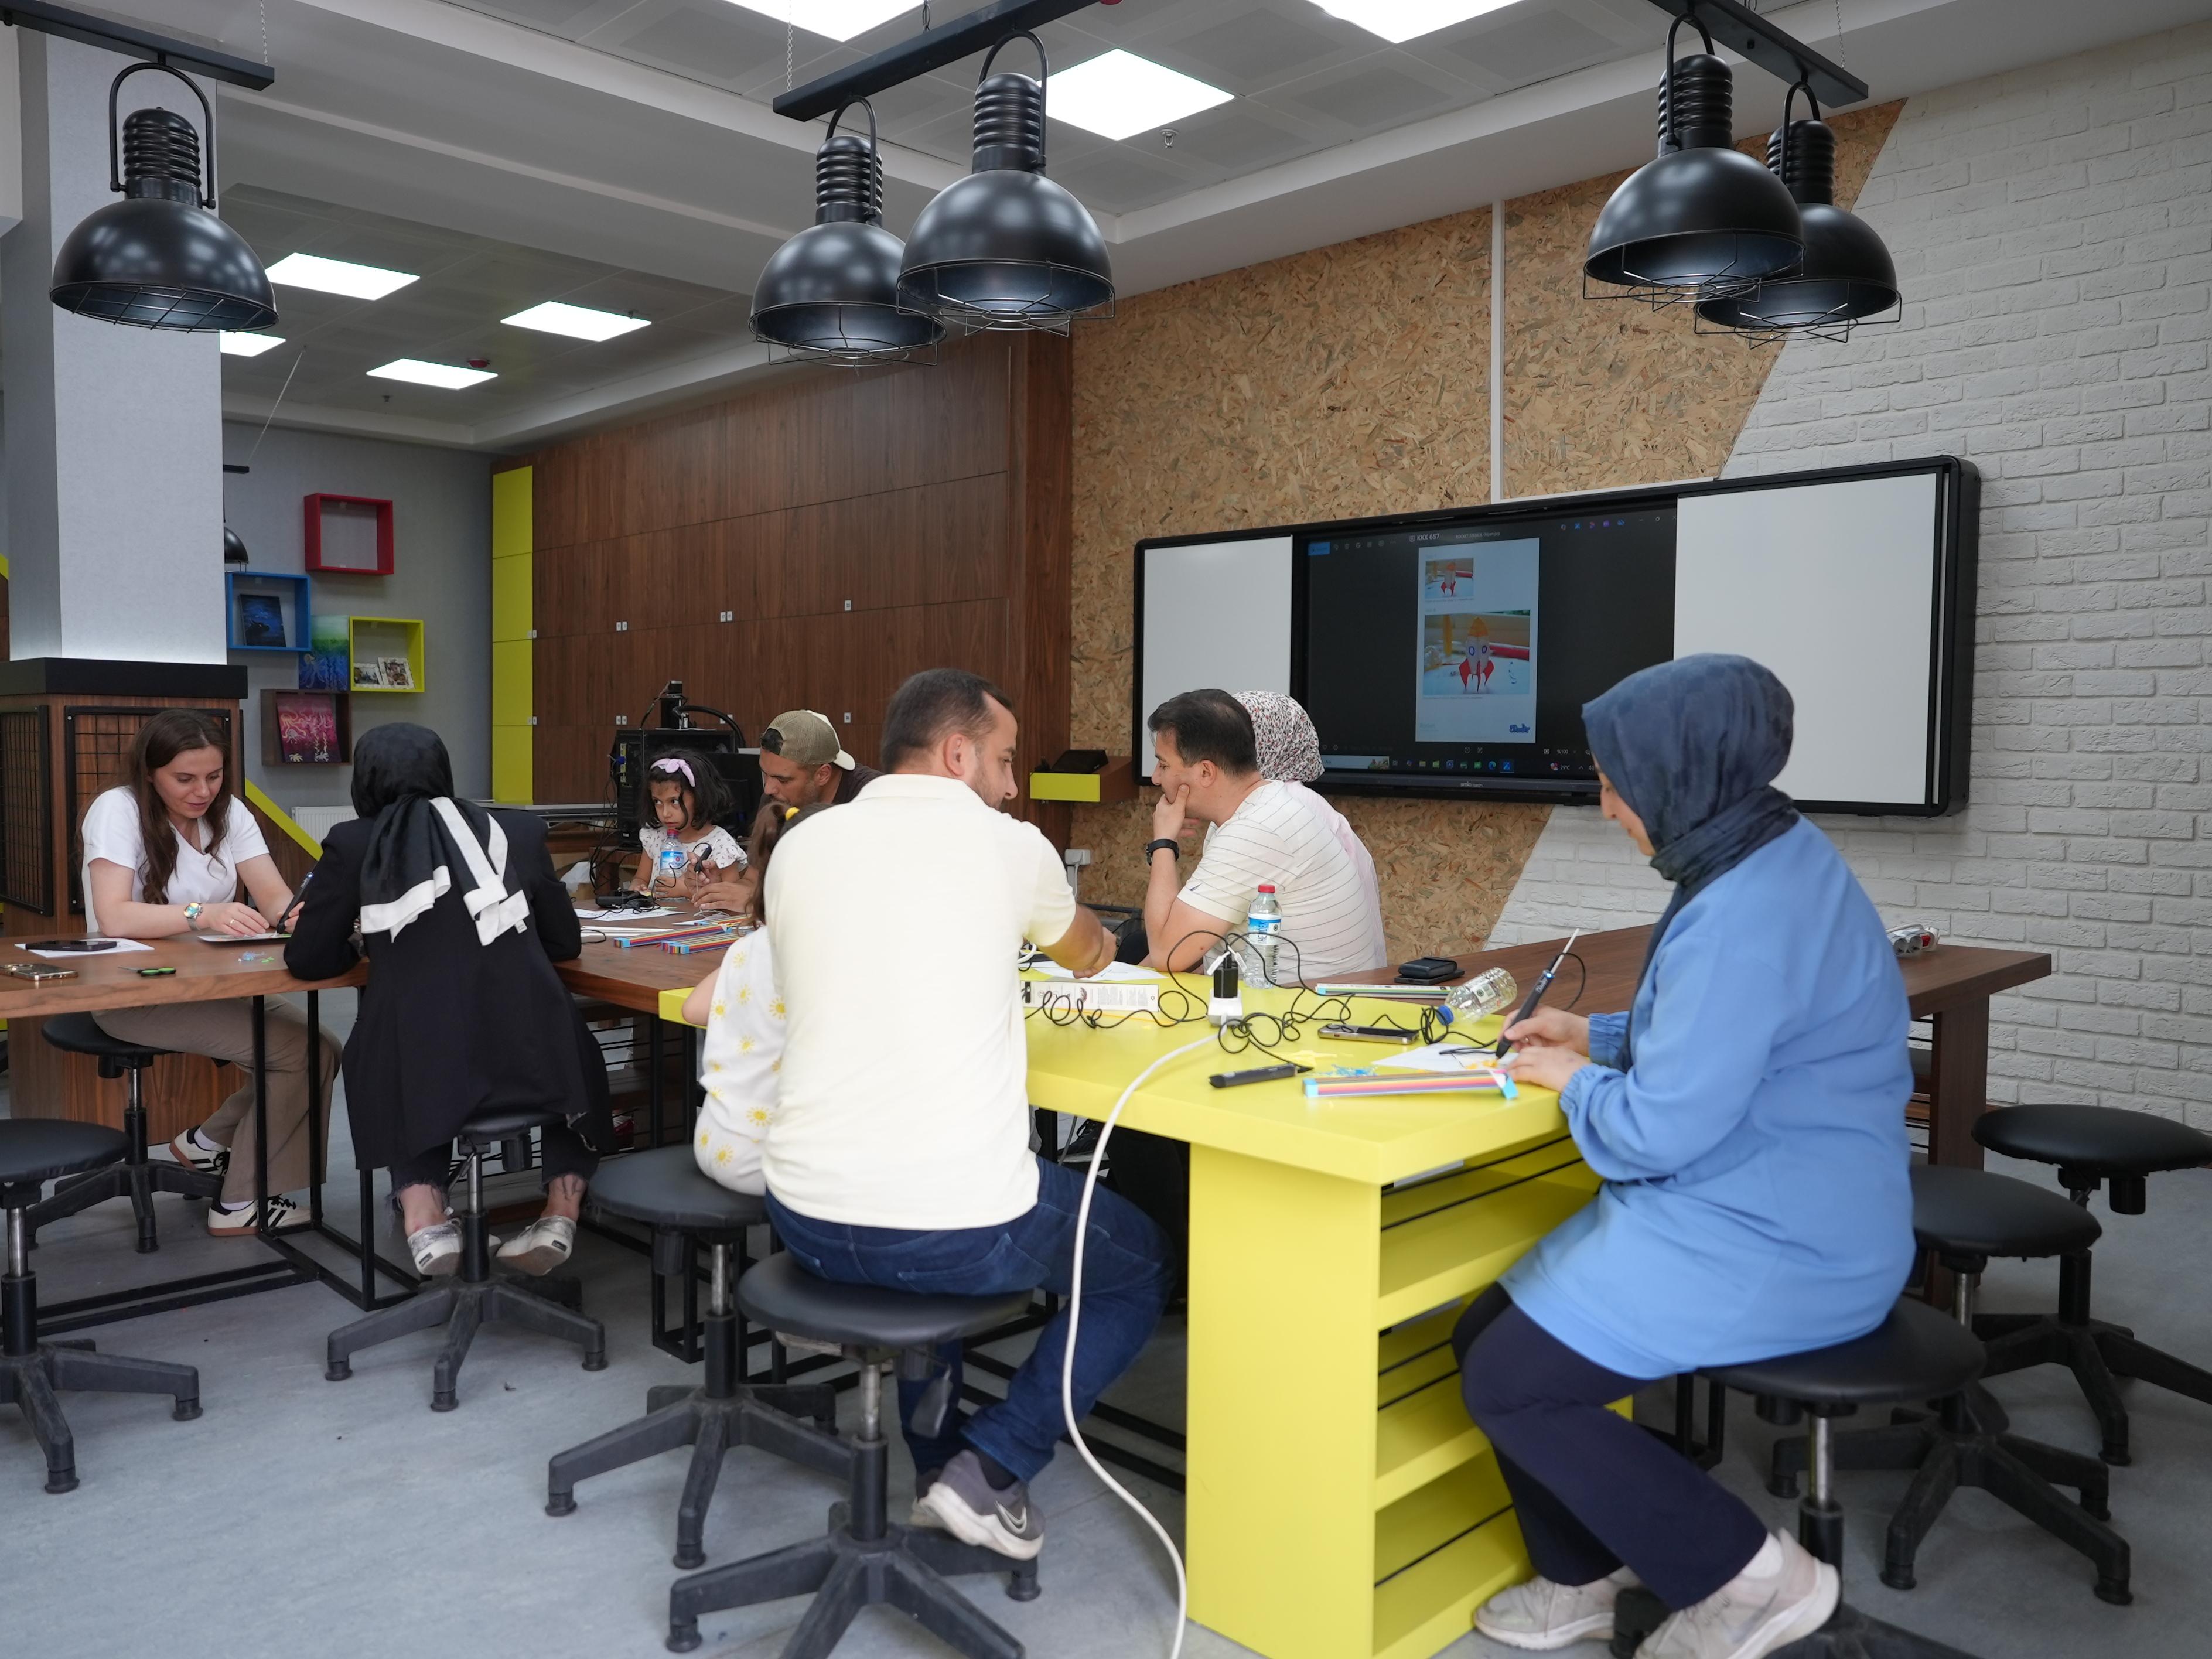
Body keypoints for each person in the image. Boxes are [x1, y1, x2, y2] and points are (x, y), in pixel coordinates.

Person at [1457, 654, 1912, 1658]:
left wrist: (1572, 1080)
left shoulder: (1740, 911)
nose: (1608, 804)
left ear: (1678, 771)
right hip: (1782, 1193)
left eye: (1614, 780)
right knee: (1486, 1333)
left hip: (1781, 1234)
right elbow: (1727, 1031)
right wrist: (1596, 1035)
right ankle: (1583, 1575)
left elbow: (1653, 1132)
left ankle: (1749, 1579)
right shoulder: (1765, 851)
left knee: (1511, 1381)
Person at [762, 668, 1166, 1561]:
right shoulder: (1009, 845)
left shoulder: (801, 844)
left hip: (801, 1213)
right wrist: (1098, 937)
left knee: (931, 1225)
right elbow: (1089, 955)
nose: (1014, 785)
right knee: (1136, 1265)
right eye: (1006, 760)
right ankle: (994, 1465)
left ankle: (939, 1471)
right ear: (957, 753)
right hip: (945, 1227)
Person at [283, 723, 616, 1278]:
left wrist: (361, 943)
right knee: (574, 1043)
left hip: (428, 1061)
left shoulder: (355, 842)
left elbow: (309, 959)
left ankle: (426, 1217)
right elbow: (564, 943)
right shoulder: (518, 831)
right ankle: (561, 1212)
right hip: (536, 1051)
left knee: (401, 1043)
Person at [83, 709, 339, 1237]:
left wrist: (300, 915)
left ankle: (207, 1144)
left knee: (323, 1047)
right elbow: (114, 916)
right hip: (132, 991)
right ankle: (243, 1201)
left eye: (214, 776)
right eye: (185, 779)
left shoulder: (231, 812)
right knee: (298, 1052)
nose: (203, 791)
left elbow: (274, 898)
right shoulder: (118, 809)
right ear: (150, 772)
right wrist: (203, 913)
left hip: (215, 981)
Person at [1142, 688, 1387, 981]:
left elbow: (1168, 954)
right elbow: (1188, 944)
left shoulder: (1256, 830)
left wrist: (1163, 844)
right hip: (1286, 1001)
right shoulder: (1263, 806)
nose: (1156, 777)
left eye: (1164, 765)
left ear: (1206, 772)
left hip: (1305, 1007)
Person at [682, 800, 817, 1196]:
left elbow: (694, 1008)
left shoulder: (750, 946)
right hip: (769, 1160)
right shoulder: (821, 954)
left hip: (714, 1141)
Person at [694, 709, 879, 913]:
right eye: (765, 774)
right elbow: (752, 882)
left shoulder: (872, 800)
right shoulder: (777, 798)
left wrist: (763, 900)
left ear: (823, 774)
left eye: (783, 779)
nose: (768, 789)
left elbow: (869, 896)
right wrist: (721, 889)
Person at [633, 749, 745, 896]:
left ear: (699, 798)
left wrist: (687, 891)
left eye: (674, 801)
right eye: (658, 802)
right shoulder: (655, 836)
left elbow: (732, 898)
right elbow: (641, 878)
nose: (665, 813)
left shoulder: (721, 844)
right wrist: (637, 887)